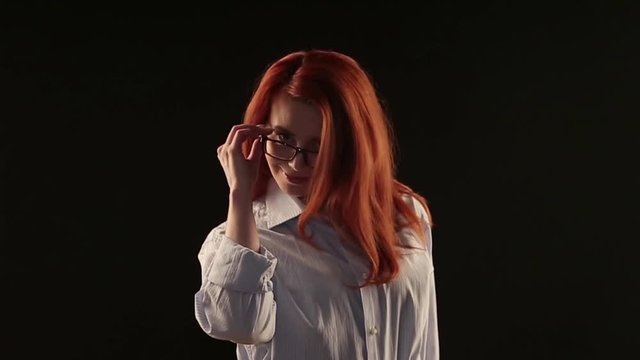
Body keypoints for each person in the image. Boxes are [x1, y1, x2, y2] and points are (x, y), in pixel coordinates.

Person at [194, 49, 439, 359]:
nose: (296, 164)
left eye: (318, 147)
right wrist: (239, 195)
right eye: (282, 139)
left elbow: (426, 342)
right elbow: (236, 323)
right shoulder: (243, 242)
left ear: (352, 146)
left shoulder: (405, 215)